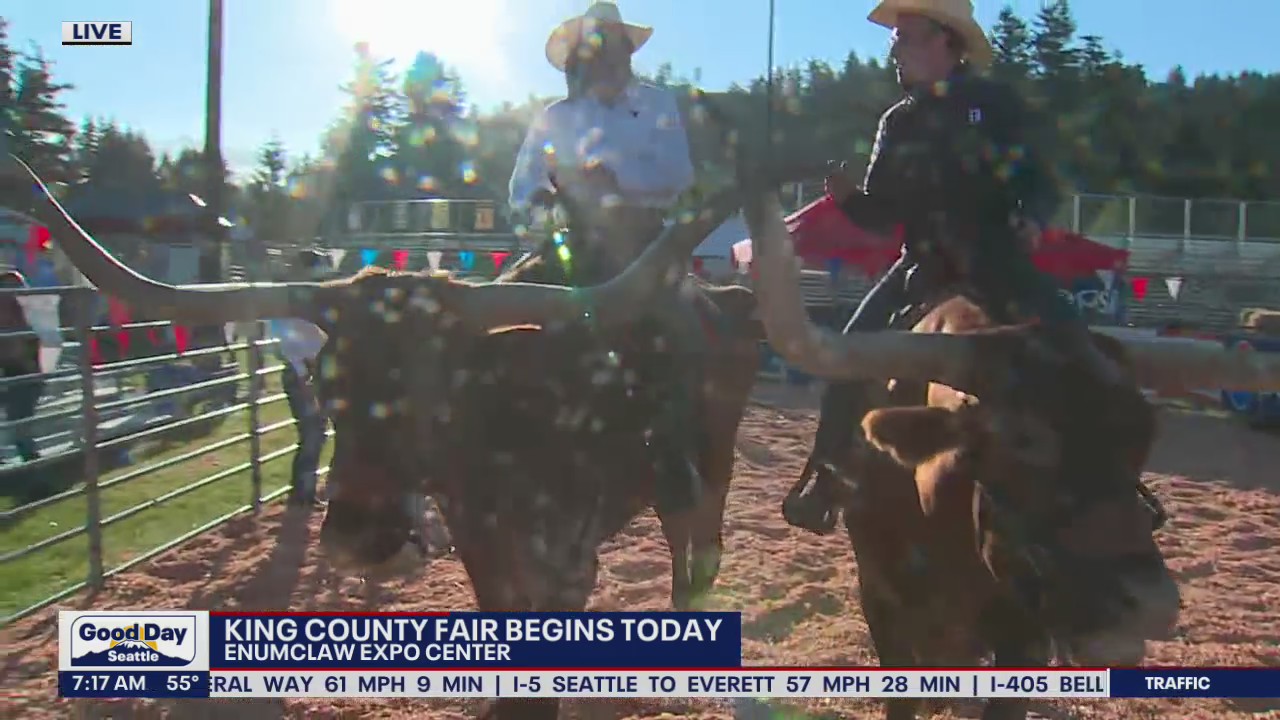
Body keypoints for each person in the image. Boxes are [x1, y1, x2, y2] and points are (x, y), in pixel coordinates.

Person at [782, 0, 1126, 535]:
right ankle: (825, 481)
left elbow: (1038, 181)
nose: (894, 49)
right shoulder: (897, 121)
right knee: (846, 355)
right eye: (895, 39)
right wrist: (850, 200)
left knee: (1076, 346)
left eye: (907, 37)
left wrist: (1031, 218)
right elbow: (885, 214)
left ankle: (1118, 484)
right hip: (921, 265)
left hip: (997, 260)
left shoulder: (996, 104)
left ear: (947, 41)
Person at [508, 2, 706, 518]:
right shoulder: (554, 117)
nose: (608, 58)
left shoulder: (659, 104)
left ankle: (672, 453)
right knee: (502, 319)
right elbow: (522, 187)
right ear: (580, 57)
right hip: (570, 243)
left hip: (640, 241)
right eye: (598, 48)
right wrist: (548, 202)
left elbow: (679, 175)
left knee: (678, 330)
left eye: (616, 47)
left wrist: (620, 185)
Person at [271, 249, 332, 509]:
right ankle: (301, 494)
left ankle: (304, 492)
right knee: (312, 433)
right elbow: (288, 342)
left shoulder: (310, 300)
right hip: (303, 373)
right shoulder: (290, 301)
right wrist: (303, 374)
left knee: (316, 432)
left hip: (314, 370)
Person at [0, 270, 44, 463]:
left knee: (20, 416)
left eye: (18, 286)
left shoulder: (29, 310)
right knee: (19, 416)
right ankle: (29, 457)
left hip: (25, 368)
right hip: (14, 367)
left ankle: (30, 458)